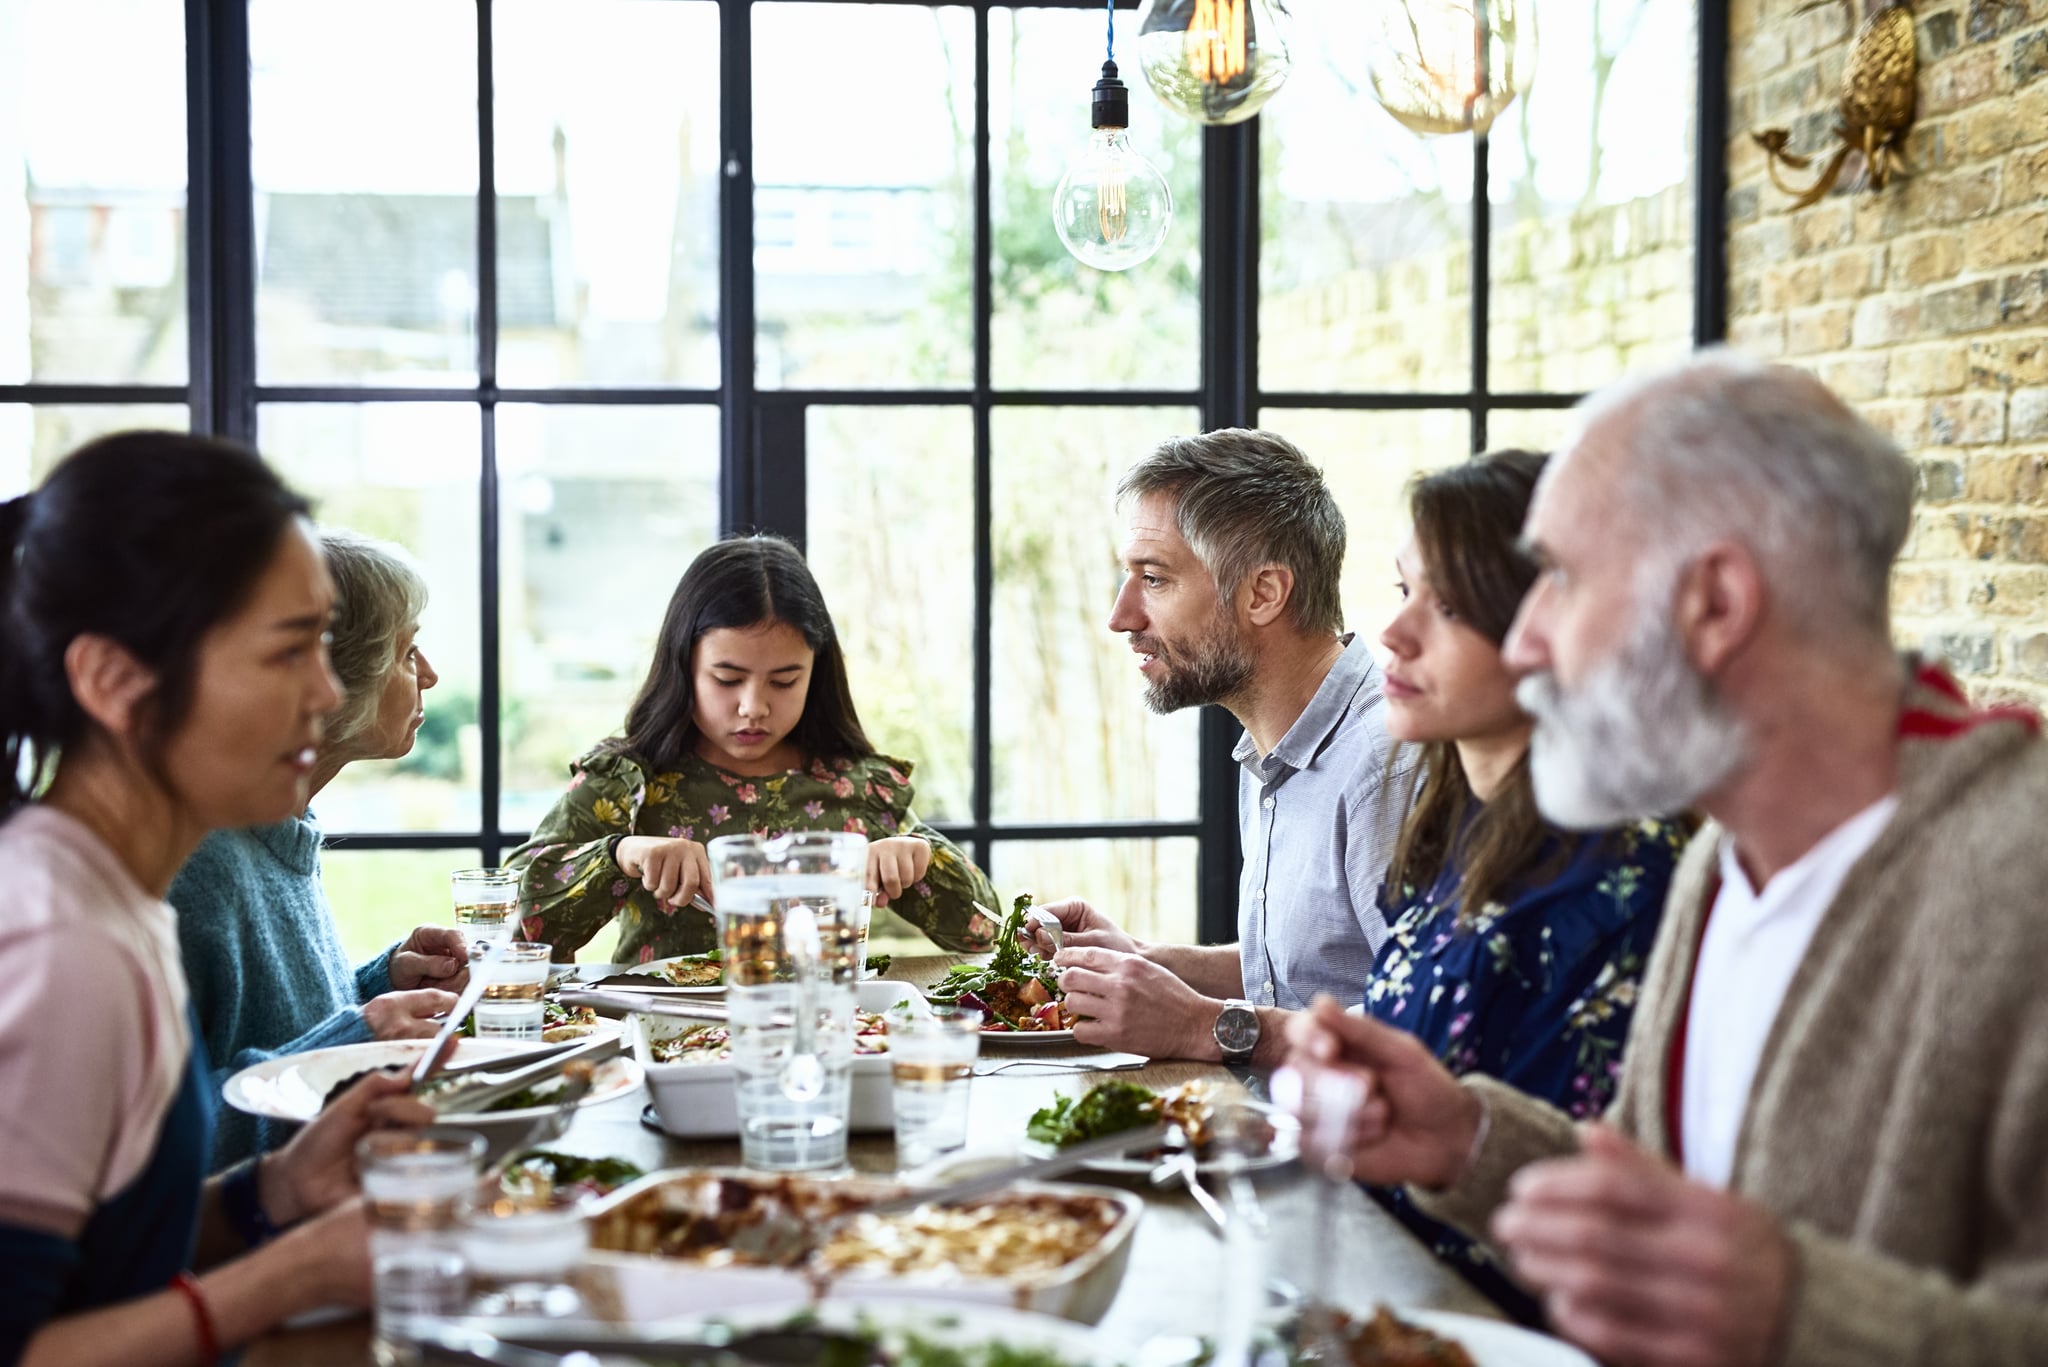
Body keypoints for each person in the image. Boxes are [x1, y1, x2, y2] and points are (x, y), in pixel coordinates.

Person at [1281, 352, 2048, 1367]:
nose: (1528, 640)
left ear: (1715, 602)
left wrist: (1793, 1306)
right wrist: (1466, 1138)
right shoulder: (1720, 863)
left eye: (1558, 576)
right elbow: (1656, 1202)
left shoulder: (2018, 878)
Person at [0, 433, 437, 1366]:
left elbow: (98, 1262)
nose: (328, 692)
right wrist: (292, 1272)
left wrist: (273, 1191)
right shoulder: (57, 944)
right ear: (115, 682)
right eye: (290, 651)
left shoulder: (117, 904)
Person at [1362, 449, 1690, 1324]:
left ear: (1552, 624)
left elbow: (1572, 1197)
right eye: (1402, 590)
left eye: (1453, 605)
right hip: (1382, 1291)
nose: (1395, 633)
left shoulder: (1622, 876)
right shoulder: (1444, 821)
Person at [1029, 429, 1411, 1067]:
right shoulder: (1271, 749)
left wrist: (1201, 1028)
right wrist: (1145, 963)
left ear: (1263, 593)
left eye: (1154, 579)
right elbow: (1315, 971)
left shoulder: (1384, 768)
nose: (1121, 617)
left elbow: (1427, 1022)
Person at [509, 534, 1000, 961]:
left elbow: (986, 930)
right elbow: (511, 922)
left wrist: (919, 859)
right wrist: (620, 854)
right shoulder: (628, 779)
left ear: (817, 672)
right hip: (670, 1048)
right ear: (684, 666)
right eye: (727, 679)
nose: (753, 707)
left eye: (784, 681)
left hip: (827, 1042)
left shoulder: (855, 786)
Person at [169, 528, 468, 1170]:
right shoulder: (201, 867)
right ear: (335, 679)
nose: (431, 676)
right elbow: (158, 1150)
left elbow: (269, 1032)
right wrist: (356, 1041)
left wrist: (376, 987)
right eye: (408, 652)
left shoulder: (283, 827)